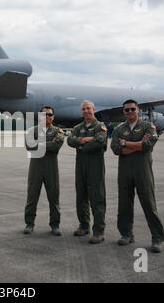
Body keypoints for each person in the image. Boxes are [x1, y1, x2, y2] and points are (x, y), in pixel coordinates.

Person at [111, 99, 164, 253]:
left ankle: (157, 238)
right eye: (126, 110)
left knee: (149, 204)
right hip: (125, 171)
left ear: (138, 109)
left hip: (143, 171)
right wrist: (137, 145)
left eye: (132, 109)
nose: (129, 112)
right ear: (123, 112)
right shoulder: (119, 129)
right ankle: (126, 234)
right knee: (124, 205)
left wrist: (125, 144)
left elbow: (148, 145)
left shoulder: (148, 126)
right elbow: (115, 149)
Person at [67, 100, 107, 244]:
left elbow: (100, 141)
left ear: (93, 109)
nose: (86, 111)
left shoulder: (100, 126)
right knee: (81, 196)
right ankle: (84, 226)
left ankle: (99, 231)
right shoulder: (78, 127)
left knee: (97, 198)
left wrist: (82, 146)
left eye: (88, 108)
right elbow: (70, 141)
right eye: (83, 109)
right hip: (81, 166)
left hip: (95, 166)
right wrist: (84, 139)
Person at [24, 106, 65, 236]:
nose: (47, 117)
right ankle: (29, 223)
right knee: (32, 196)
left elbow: (56, 145)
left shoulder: (58, 131)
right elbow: (30, 146)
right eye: (44, 114)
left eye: (49, 114)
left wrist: (40, 144)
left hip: (51, 168)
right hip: (36, 168)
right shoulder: (32, 131)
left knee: (54, 197)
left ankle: (55, 224)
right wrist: (47, 144)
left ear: (53, 117)